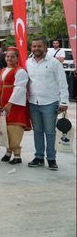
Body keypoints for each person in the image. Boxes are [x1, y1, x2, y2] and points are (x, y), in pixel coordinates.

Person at [27, 37, 69, 170]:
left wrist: (64, 102)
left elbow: (62, 83)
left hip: (50, 102)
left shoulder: (54, 63)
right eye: (34, 46)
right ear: (31, 48)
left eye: (39, 46)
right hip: (33, 102)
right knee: (37, 131)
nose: (36, 49)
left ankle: (51, 159)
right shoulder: (28, 62)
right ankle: (39, 157)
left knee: (50, 132)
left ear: (45, 47)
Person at [0, 47, 30, 165]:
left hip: (15, 106)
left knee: (14, 130)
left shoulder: (20, 71)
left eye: (12, 56)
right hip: (3, 105)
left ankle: (17, 155)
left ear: (17, 59)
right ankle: (8, 152)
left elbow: (19, 90)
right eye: (7, 56)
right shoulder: (2, 71)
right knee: (5, 130)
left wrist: (10, 104)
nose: (9, 58)